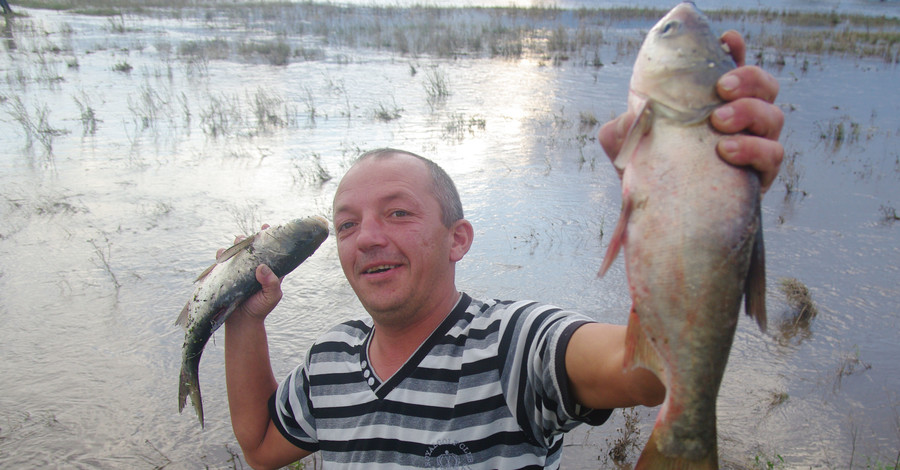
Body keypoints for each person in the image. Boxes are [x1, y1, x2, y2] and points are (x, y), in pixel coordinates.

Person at [224, 31, 784, 470]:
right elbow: (259, 447)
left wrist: (692, 206)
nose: (367, 236)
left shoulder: (513, 345)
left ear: (458, 239)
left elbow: (649, 374)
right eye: (347, 225)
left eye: (398, 212)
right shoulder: (329, 362)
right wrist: (244, 322)